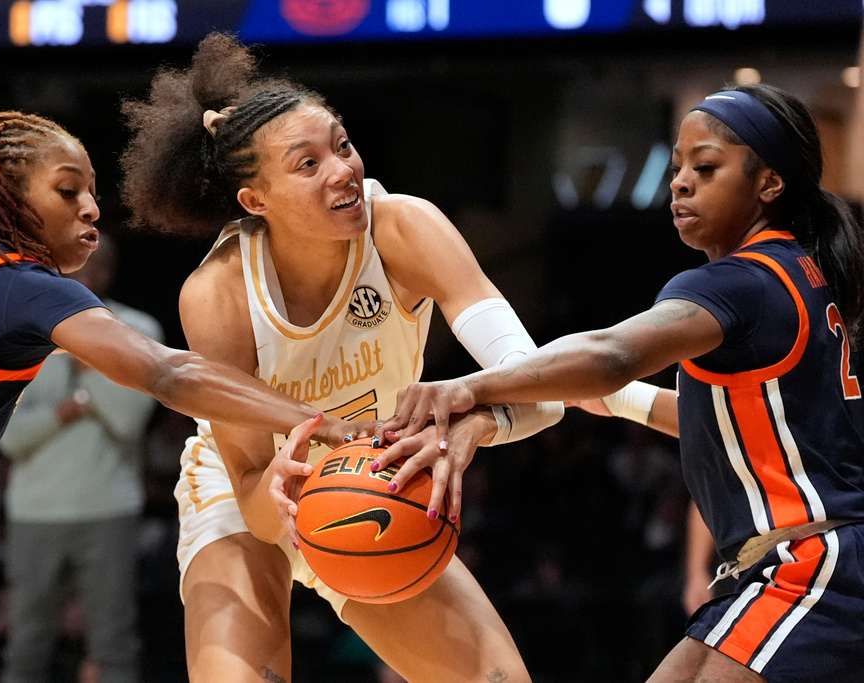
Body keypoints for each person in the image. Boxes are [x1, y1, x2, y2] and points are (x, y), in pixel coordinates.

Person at [364, 83, 864, 682]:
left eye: (705, 168)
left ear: (770, 184)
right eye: (678, 167)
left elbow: (612, 352)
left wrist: (470, 386)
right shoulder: (796, 272)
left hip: (812, 566)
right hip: (790, 566)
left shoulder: (738, 282)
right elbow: (746, 427)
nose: (680, 182)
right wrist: (629, 403)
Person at [0, 110, 358, 682]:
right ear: (10, 198)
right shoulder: (17, 284)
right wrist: (324, 422)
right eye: (68, 190)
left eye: (92, 191)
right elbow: (168, 373)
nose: (91, 207)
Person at [118, 32, 563, 683]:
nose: (343, 169)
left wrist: (473, 426)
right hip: (250, 490)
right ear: (254, 200)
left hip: (373, 475)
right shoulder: (217, 293)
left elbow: (542, 385)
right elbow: (249, 486)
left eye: (343, 144)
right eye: (307, 164)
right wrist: (284, 495)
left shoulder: (407, 228)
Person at [0, 234, 163, 683]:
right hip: (34, 511)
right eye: (62, 267)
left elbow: (129, 419)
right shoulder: (23, 333)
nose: (69, 276)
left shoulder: (140, 331)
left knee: (113, 642)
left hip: (108, 508)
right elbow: (10, 438)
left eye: (84, 267)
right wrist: (67, 409)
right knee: (26, 643)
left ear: (104, 273)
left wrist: (88, 350)